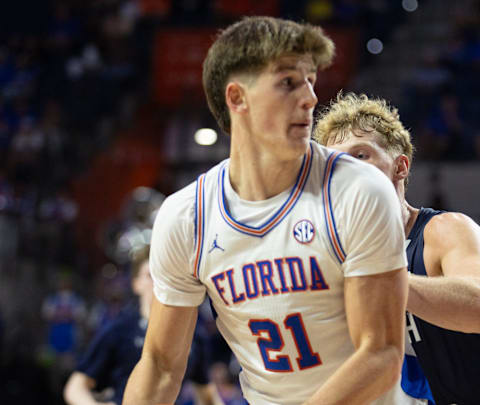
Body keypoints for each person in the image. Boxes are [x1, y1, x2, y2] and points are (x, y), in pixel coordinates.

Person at [123, 17, 415, 405]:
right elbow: (161, 364)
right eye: (288, 82)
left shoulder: (358, 189)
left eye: (311, 80)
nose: (310, 96)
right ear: (237, 98)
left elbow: (380, 354)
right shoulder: (186, 217)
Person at [315, 92, 480, 405]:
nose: (347, 169)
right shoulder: (346, 257)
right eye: (336, 163)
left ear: (400, 167)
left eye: (361, 155)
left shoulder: (445, 231)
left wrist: (379, 280)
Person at [63, 247, 223, 405]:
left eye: (162, 274)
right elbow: (75, 387)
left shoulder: (192, 334)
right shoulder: (119, 330)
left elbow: (208, 396)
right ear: (136, 284)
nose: (157, 282)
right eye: (150, 276)